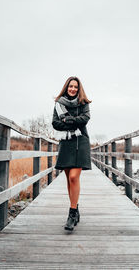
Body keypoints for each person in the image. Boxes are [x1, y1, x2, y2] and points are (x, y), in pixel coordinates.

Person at [52, 76, 92, 231]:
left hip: (80, 142)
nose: (73, 89)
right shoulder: (58, 104)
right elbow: (55, 123)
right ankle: (75, 208)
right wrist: (70, 122)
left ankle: (72, 213)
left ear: (79, 88)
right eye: (70, 86)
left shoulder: (84, 103)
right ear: (66, 87)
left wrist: (69, 120)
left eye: (75, 86)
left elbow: (85, 118)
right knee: (69, 179)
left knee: (75, 177)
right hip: (66, 142)